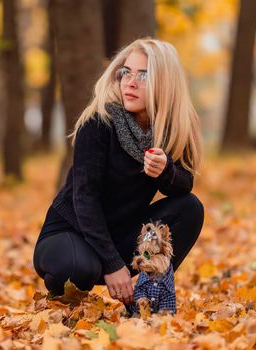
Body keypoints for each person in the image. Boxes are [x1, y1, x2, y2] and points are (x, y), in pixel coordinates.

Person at [32, 37, 205, 306]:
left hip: (125, 238)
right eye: (126, 73)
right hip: (70, 233)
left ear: (164, 83)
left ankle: (149, 295)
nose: (130, 82)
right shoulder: (99, 122)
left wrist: (166, 171)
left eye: (143, 76)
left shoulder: (167, 131)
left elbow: (183, 186)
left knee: (190, 208)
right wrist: (112, 264)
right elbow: (84, 200)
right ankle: (63, 306)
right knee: (79, 269)